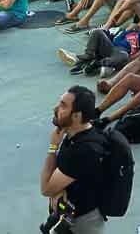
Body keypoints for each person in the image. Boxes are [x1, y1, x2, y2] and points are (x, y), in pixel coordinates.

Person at [41, 85, 108, 234]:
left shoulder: (82, 150)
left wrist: (53, 147)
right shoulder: (77, 134)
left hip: (81, 223)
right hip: (72, 214)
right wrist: (59, 189)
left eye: (63, 105)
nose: (56, 108)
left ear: (76, 116)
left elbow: (45, 188)